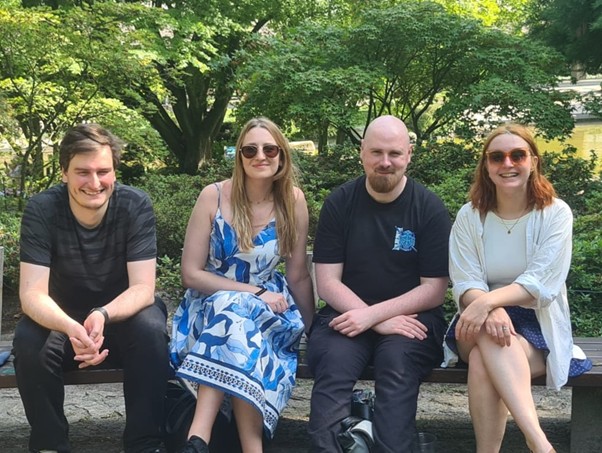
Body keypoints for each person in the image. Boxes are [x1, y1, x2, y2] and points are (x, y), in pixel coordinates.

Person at [13, 124, 171, 453]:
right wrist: (71, 327)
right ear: (64, 173)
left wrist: (102, 314)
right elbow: (32, 294)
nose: (95, 182)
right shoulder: (42, 209)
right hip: (61, 321)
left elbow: (143, 288)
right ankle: (50, 444)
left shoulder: (134, 205)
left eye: (103, 171)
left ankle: (145, 443)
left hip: (121, 318)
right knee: (28, 340)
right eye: (83, 172)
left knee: (151, 329)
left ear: (114, 171)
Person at [442, 123, 592, 453]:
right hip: (476, 321)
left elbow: (541, 283)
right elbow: (465, 280)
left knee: (484, 359)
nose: (507, 163)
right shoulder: (469, 216)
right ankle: (539, 443)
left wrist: (488, 304)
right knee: (490, 332)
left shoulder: (556, 213)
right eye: (497, 157)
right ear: (486, 165)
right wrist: (489, 308)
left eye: (517, 155)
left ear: (533, 161)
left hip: (536, 322)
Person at [169, 117, 315, 453]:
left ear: (281, 154)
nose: (260, 156)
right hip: (208, 309)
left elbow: (297, 275)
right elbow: (191, 274)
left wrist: (313, 330)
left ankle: (197, 439)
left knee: (237, 322)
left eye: (269, 149)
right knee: (232, 311)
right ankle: (252, 448)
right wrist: (254, 292)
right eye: (250, 150)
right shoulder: (213, 196)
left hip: (270, 313)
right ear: (239, 156)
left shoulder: (292, 200)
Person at [307, 115, 452, 453]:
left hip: (413, 319)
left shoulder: (429, 208)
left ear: (409, 154)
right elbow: (327, 282)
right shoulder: (340, 203)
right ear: (362, 152)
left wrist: (373, 317)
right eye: (376, 152)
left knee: (397, 364)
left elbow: (434, 289)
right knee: (333, 362)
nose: (385, 162)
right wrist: (375, 319)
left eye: (394, 153)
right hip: (345, 312)